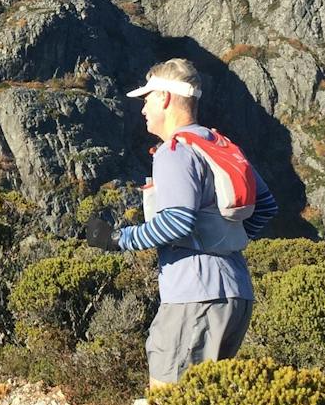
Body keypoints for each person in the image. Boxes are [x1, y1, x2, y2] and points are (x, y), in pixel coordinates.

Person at [86, 58, 278, 386]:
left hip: (194, 296)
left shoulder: (174, 152)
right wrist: (224, 240)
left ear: (165, 98)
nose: (143, 108)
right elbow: (266, 206)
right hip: (236, 295)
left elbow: (177, 222)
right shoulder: (220, 146)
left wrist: (117, 239)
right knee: (205, 403)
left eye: (147, 98)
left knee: (170, 403)